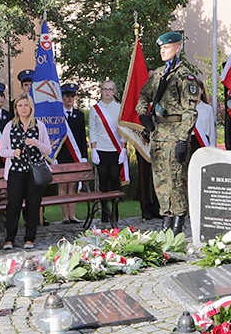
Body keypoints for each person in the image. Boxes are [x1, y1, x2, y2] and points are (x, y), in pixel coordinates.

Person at [136, 31, 199, 235]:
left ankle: (178, 223)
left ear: (177, 48)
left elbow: (190, 110)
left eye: (167, 47)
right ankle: (166, 218)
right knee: (161, 180)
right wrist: (144, 118)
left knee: (176, 179)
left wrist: (183, 138)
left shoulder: (184, 76)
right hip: (158, 134)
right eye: (161, 48)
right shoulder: (159, 75)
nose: (162, 50)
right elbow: (143, 96)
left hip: (175, 134)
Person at [0, 94, 51, 250]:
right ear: (16, 108)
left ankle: (30, 238)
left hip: (34, 172)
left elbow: (48, 149)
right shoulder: (10, 126)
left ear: (31, 107)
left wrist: (37, 143)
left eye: (26, 105)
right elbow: (2, 150)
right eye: (20, 105)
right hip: (15, 171)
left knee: (33, 205)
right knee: (13, 205)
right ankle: (9, 239)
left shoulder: (39, 126)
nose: (23, 108)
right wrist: (13, 153)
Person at [89, 79, 125, 225]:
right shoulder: (95, 109)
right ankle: (104, 212)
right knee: (103, 181)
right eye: (105, 89)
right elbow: (92, 130)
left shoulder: (119, 107)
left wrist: (123, 148)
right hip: (101, 150)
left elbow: (123, 129)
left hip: (115, 149)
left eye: (110, 89)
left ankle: (115, 213)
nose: (107, 92)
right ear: (101, 91)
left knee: (115, 180)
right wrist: (94, 149)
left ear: (114, 91)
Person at [55, 84, 87, 224]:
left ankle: (72, 215)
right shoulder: (56, 115)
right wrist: (53, 156)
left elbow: (81, 137)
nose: (70, 99)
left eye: (72, 96)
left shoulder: (79, 115)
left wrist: (84, 156)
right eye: (67, 96)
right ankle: (65, 216)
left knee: (73, 185)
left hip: (75, 155)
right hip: (61, 155)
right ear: (62, 97)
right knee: (62, 185)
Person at [191, 79, 217, 152]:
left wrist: (213, 147)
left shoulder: (208, 109)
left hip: (204, 142)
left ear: (202, 91)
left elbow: (212, 130)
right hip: (189, 142)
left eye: (198, 89)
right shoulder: (185, 109)